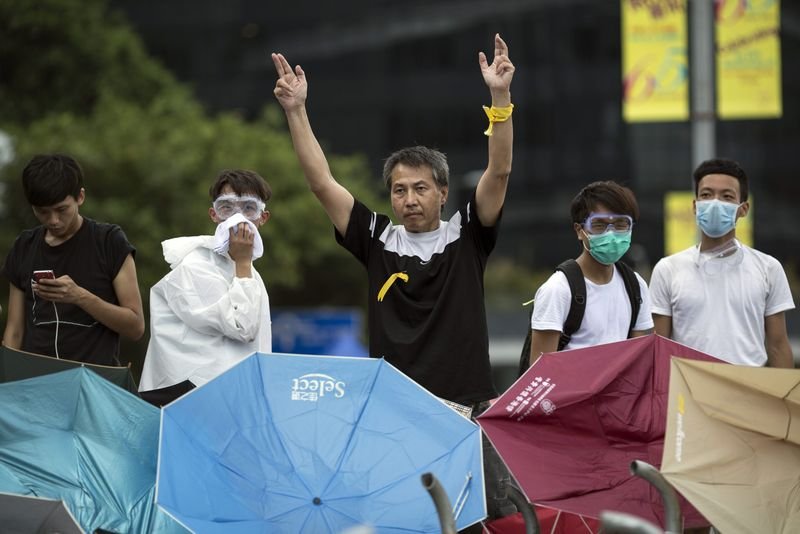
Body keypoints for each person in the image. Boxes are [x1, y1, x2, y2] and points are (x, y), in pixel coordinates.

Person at [273, 34, 516, 521]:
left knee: (467, 523)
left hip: (464, 411)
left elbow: (500, 171)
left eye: (420, 188)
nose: (408, 198)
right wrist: (296, 111)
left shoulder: (467, 234)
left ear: (443, 193)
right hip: (391, 414)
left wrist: (500, 97)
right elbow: (321, 182)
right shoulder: (377, 239)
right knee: (400, 521)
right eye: (399, 189)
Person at [138, 169, 273, 405]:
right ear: (214, 214)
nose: (237, 218)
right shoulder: (195, 266)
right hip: (192, 400)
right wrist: (243, 262)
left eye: (249, 208)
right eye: (227, 208)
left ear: (263, 217)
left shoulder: (249, 272)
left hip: (230, 397)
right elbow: (243, 326)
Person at [649, 158, 795, 368]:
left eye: (727, 196)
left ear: (743, 209)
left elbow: (778, 345)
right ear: (695, 206)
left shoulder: (768, 268)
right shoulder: (668, 269)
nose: (715, 203)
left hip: (749, 391)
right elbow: (658, 347)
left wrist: (785, 399)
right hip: (688, 393)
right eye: (706, 195)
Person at [2, 153, 145, 364]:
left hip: (93, 382)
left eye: (61, 209)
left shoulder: (109, 242)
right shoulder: (24, 246)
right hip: (36, 385)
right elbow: (14, 331)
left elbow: (135, 327)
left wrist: (80, 296)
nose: (53, 220)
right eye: (42, 212)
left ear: (80, 197)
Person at [528, 181, 654, 366]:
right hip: (571, 395)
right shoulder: (558, 290)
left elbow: (636, 363)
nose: (610, 234)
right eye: (599, 225)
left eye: (621, 224)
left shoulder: (636, 287)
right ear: (579, 230)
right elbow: (539, 375)